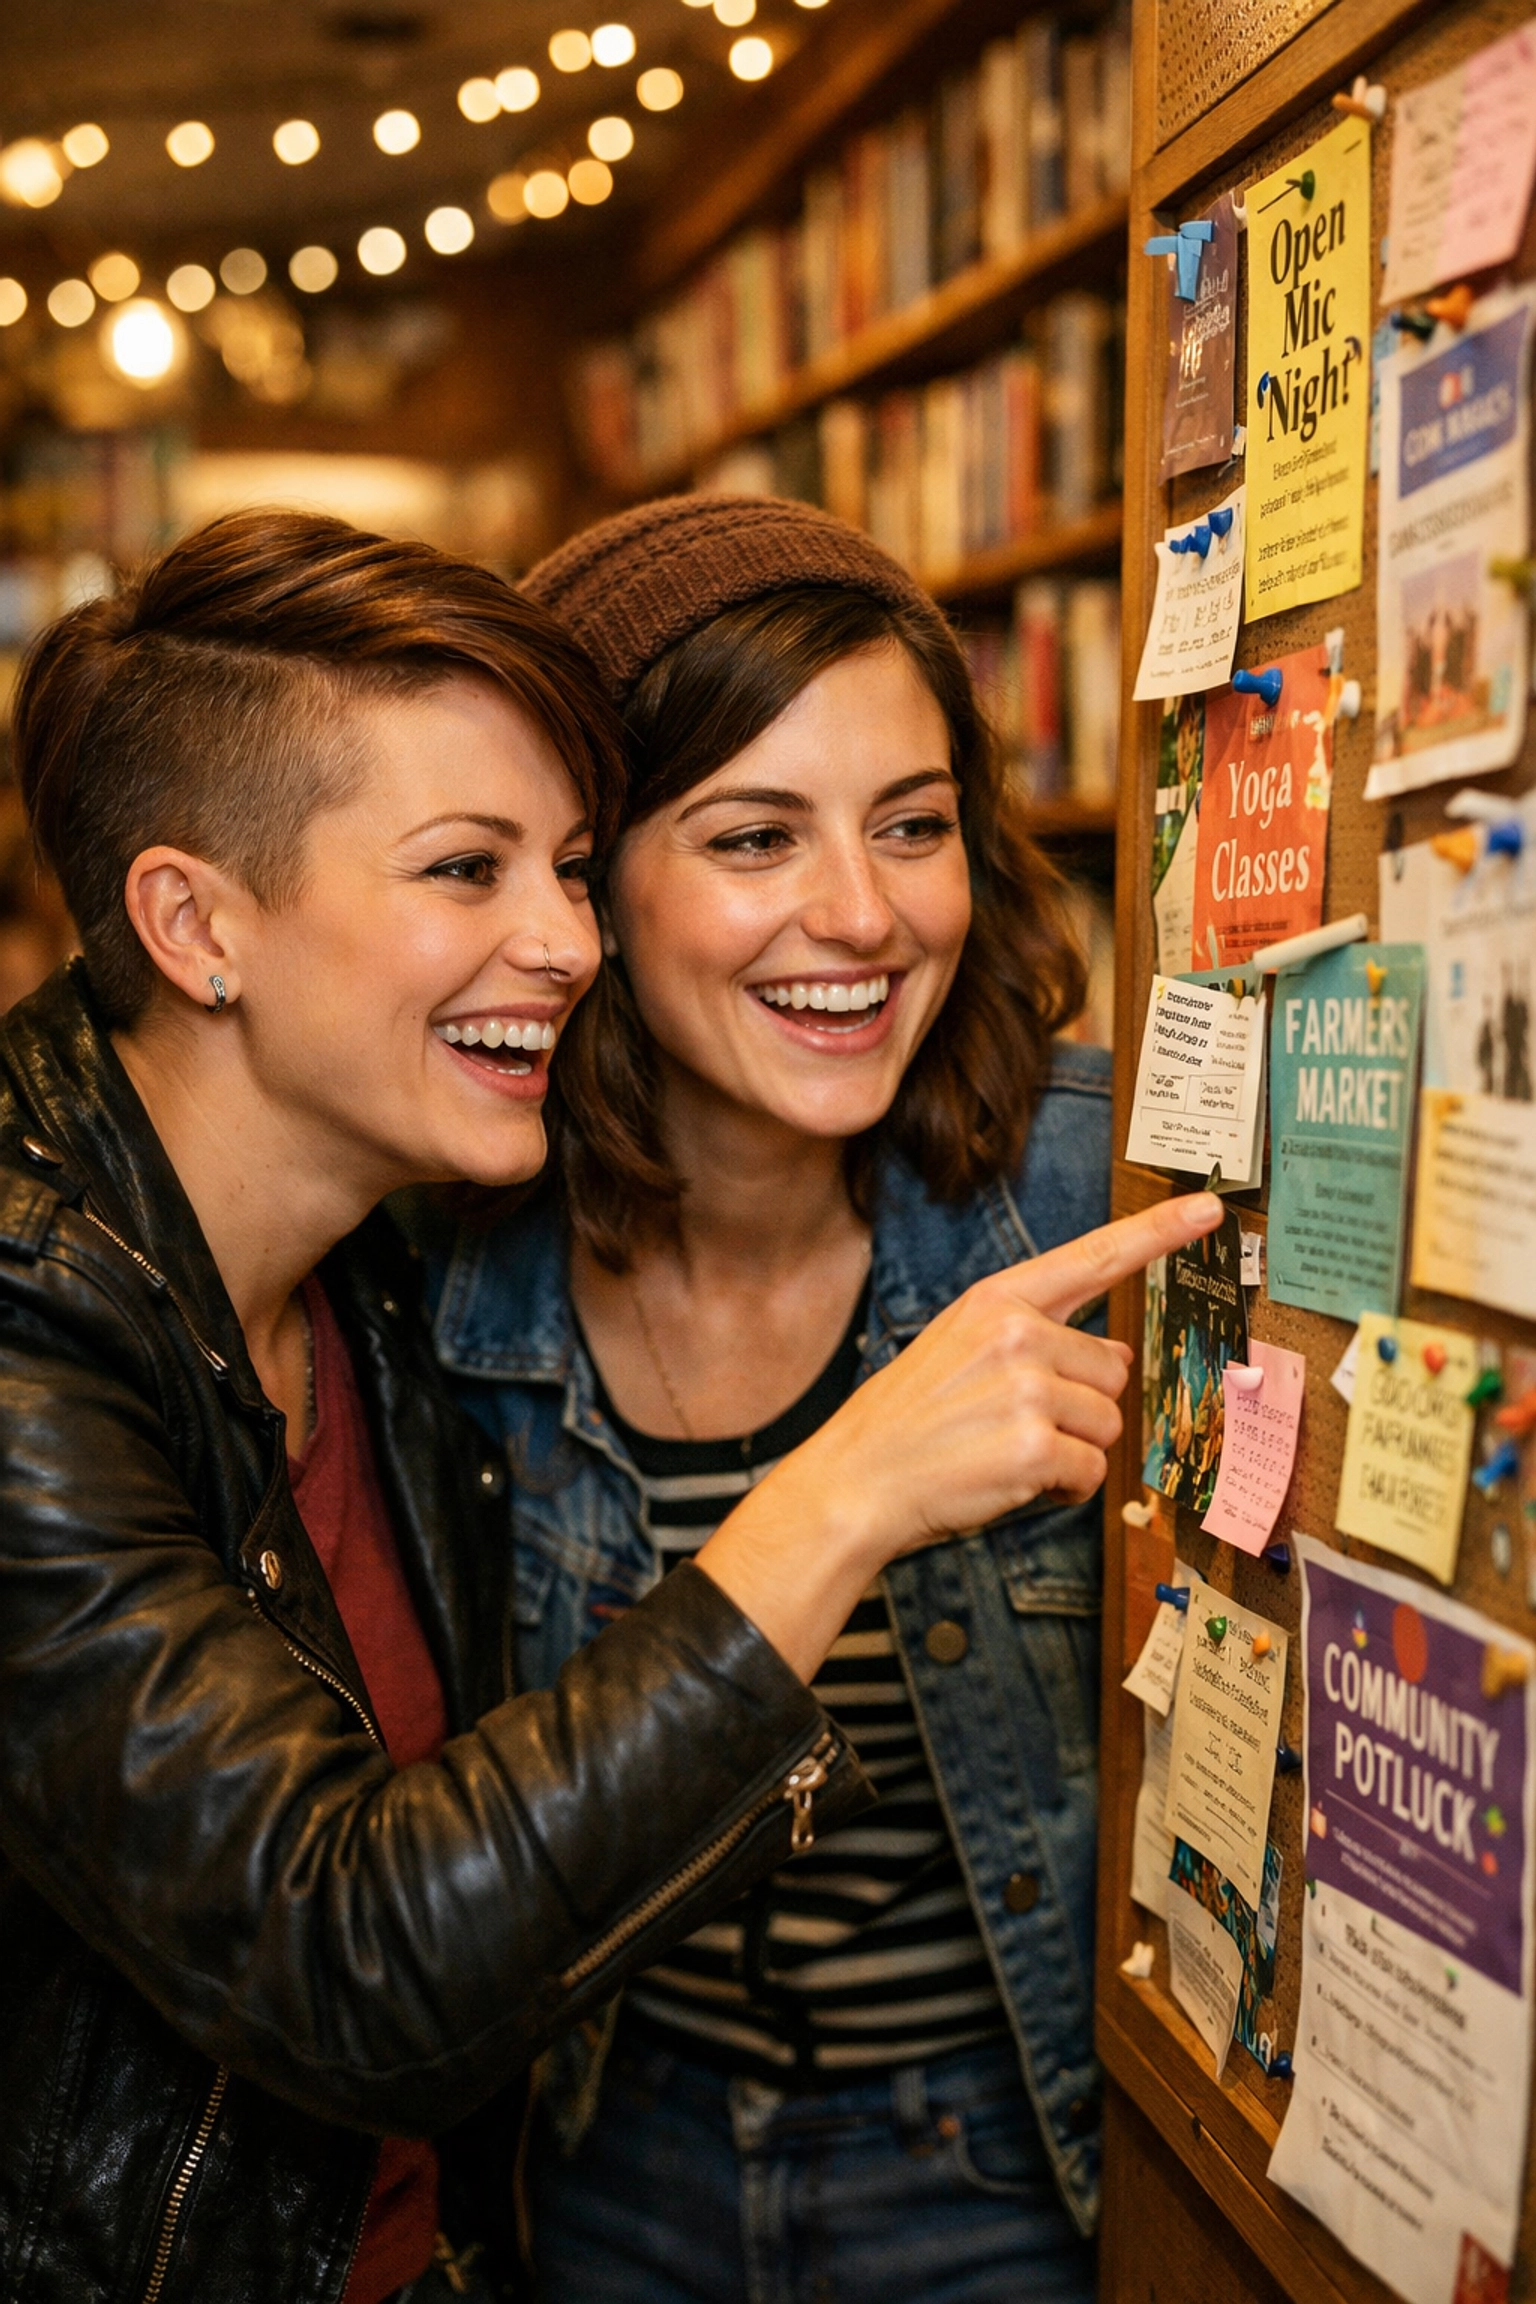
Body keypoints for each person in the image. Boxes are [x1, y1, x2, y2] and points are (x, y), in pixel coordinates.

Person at [0, 506, 1219, 2304]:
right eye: (467, 871)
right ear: (195, 925)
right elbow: (356, 1943)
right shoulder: (393, 1258)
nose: (555, 941)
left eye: (557, 867)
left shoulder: (363, 1265)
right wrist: (841, 1490)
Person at [426, 495, 1151, 2304]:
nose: (863, 914)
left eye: (914, 826)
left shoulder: (1096, 1189)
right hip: (608, 2150)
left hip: (997, 2158)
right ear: (583, 883)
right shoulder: (448, 1268)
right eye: (756, 835)